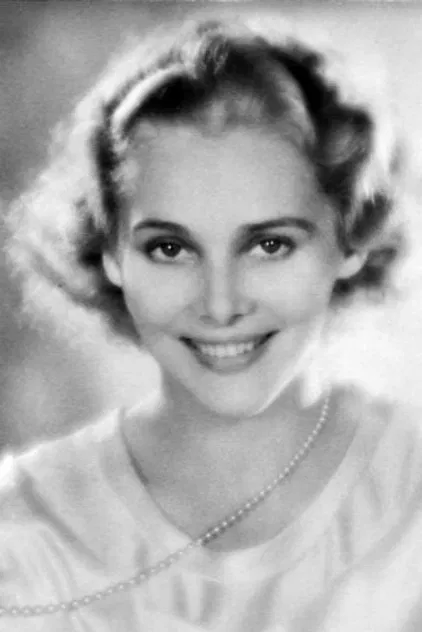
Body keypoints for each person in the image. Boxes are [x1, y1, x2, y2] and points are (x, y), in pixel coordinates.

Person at [0, 13, 418, 632]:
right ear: (112, 253)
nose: (220, 305)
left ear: (350, 237)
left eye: (270, 245)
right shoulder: (28, 527)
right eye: (170, 248)